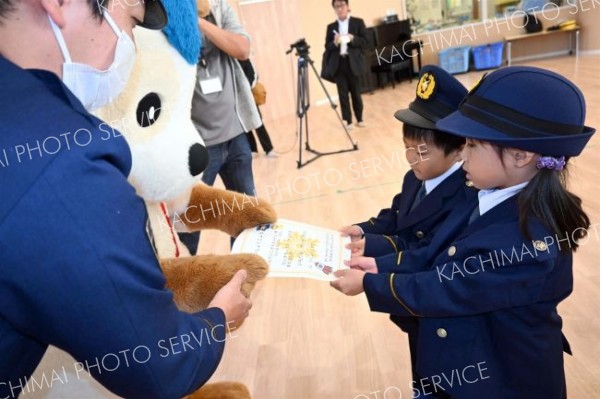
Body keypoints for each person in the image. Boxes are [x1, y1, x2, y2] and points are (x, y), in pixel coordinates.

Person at [0, 1, 251, 398]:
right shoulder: (61, 163)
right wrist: (219, 319)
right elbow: (155, 364)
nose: (129, 44)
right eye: (131, 24)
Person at [331, 66, 595, 398]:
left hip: (499, 380)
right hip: (462, 358)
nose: (463, 154)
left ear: (520, 155)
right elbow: (436, 252)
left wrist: (372, 284)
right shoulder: (486, 193)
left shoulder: (528, 239)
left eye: (471, 144)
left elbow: (450, 287)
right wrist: (381, 265)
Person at [339, 65, 476, 385]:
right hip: (409, 304)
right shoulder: (414, 177)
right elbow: (397, 214)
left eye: (422, 152)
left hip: (428, 301)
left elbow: (426, 249)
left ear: (458, 150)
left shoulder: (463, 196)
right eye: (407, 148)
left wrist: (371, 254)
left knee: (439, 372)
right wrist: (363, 230)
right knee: (422, 363)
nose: (411, 158)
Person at [178, 0, 261, 255]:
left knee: (246, 216)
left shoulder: (220, 9)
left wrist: (201, 20)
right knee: (188, 221)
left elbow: (242, 48)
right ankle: (182, 286)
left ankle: (241, 275)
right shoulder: (168, 14)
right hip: (197, 145)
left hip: (236, 136)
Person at [325, 0, 369, 130]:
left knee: (356, 93)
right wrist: (335, 43)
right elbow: (327, 46)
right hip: (338, 64)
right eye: (336, 6)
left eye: (342, 5)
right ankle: (348, 121)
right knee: (342, 94)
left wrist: (353, 39)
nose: (339, 8)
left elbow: (366, 41)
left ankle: (359, 119)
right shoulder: (330, 27)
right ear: (334, 9)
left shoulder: (358, 22)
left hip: (353, 63)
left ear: (348, 6)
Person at [238, 58, 277, 157]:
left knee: (258, 122)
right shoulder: (230, 61)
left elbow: (254, 75)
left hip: (249, 95)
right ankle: (253, 150)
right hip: (237, 97)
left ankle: (268, 149)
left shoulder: (244, 58)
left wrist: (246, 87)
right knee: (245, 125)